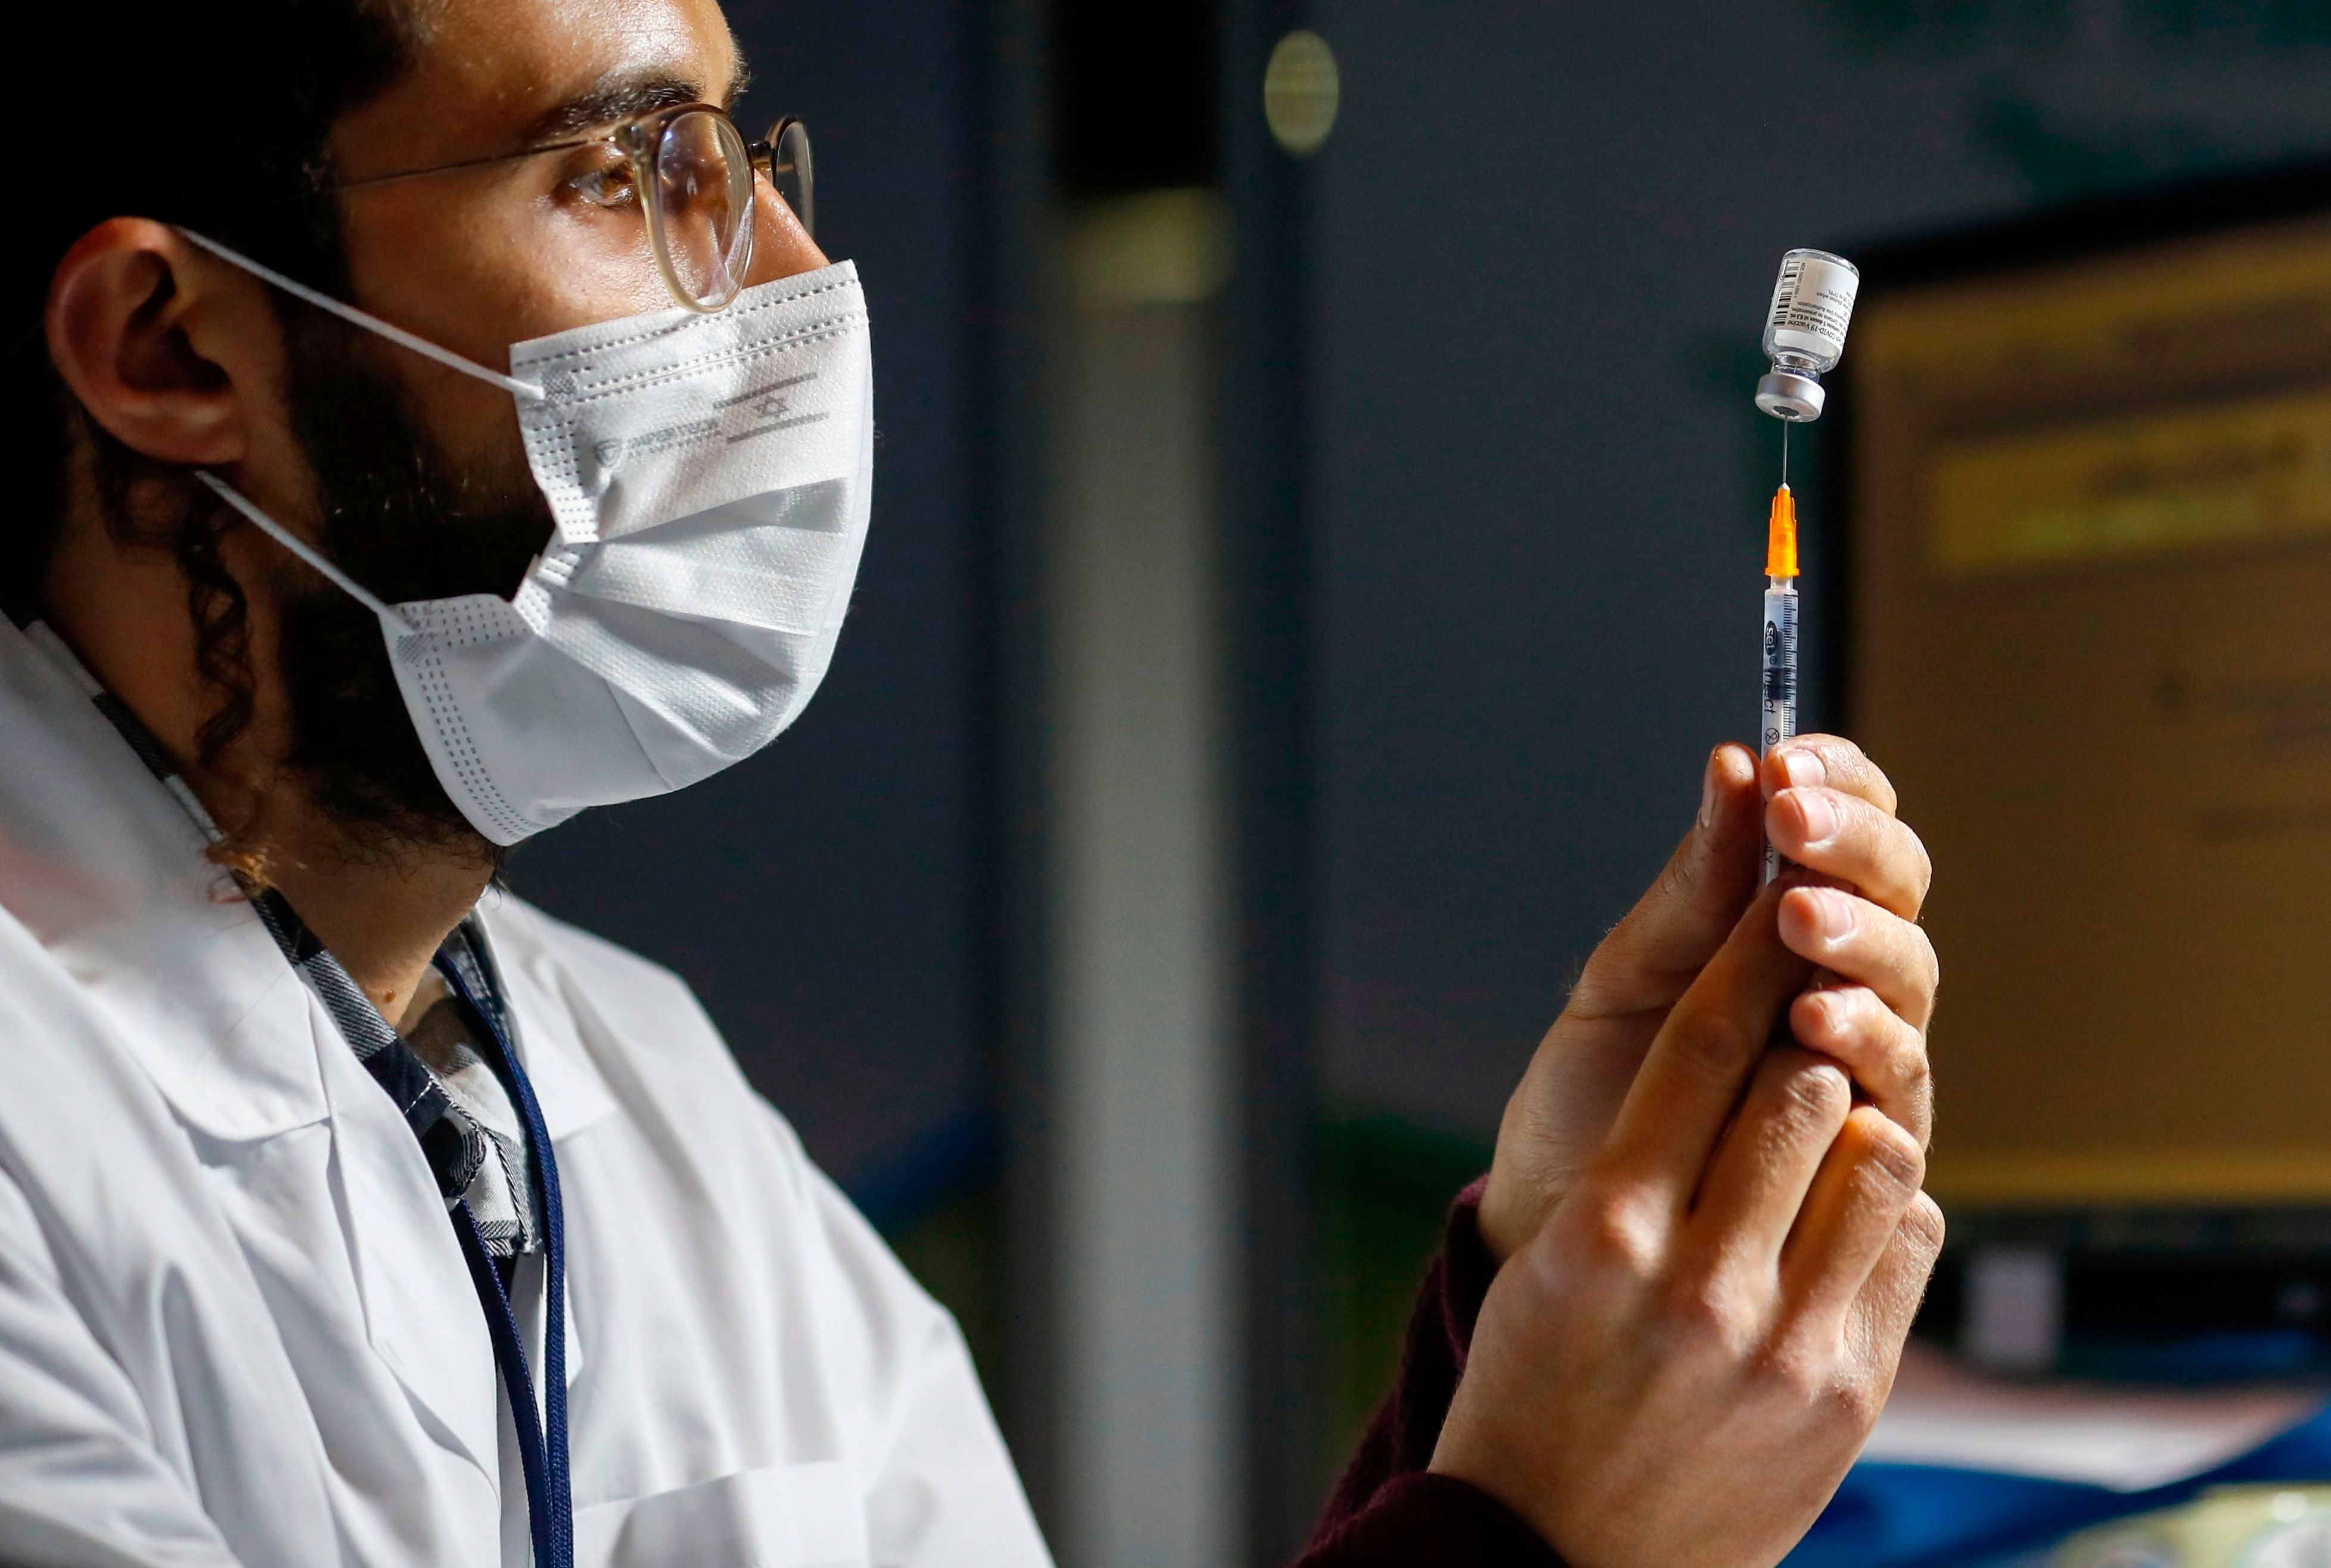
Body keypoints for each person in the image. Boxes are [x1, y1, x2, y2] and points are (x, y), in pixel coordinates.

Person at [0, 0, 1941, 1563]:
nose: (792, 280)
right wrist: (1542, 1543)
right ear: (169, 348)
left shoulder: (629, 1092)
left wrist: (1513, 1328)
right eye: (625, 171)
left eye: (751, 161)